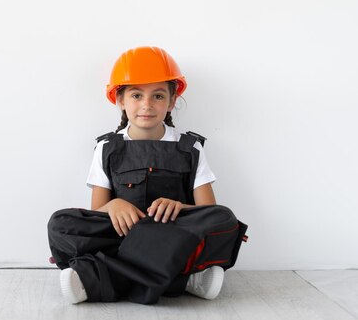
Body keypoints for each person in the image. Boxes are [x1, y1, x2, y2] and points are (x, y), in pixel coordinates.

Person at [47, 46, 247, 305]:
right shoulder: (107, 147)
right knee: (61, 223)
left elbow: (208, 210)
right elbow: (97, 211)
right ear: (120, 100)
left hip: (173, 231)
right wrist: (115, 205)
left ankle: (95, 278)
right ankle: (184, 280)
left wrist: (180, 208)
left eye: (158, 96)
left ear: (172, 101)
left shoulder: (190, 147)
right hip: (126, 234)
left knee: (224, 218)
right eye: (136, 95)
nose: (147, 105)